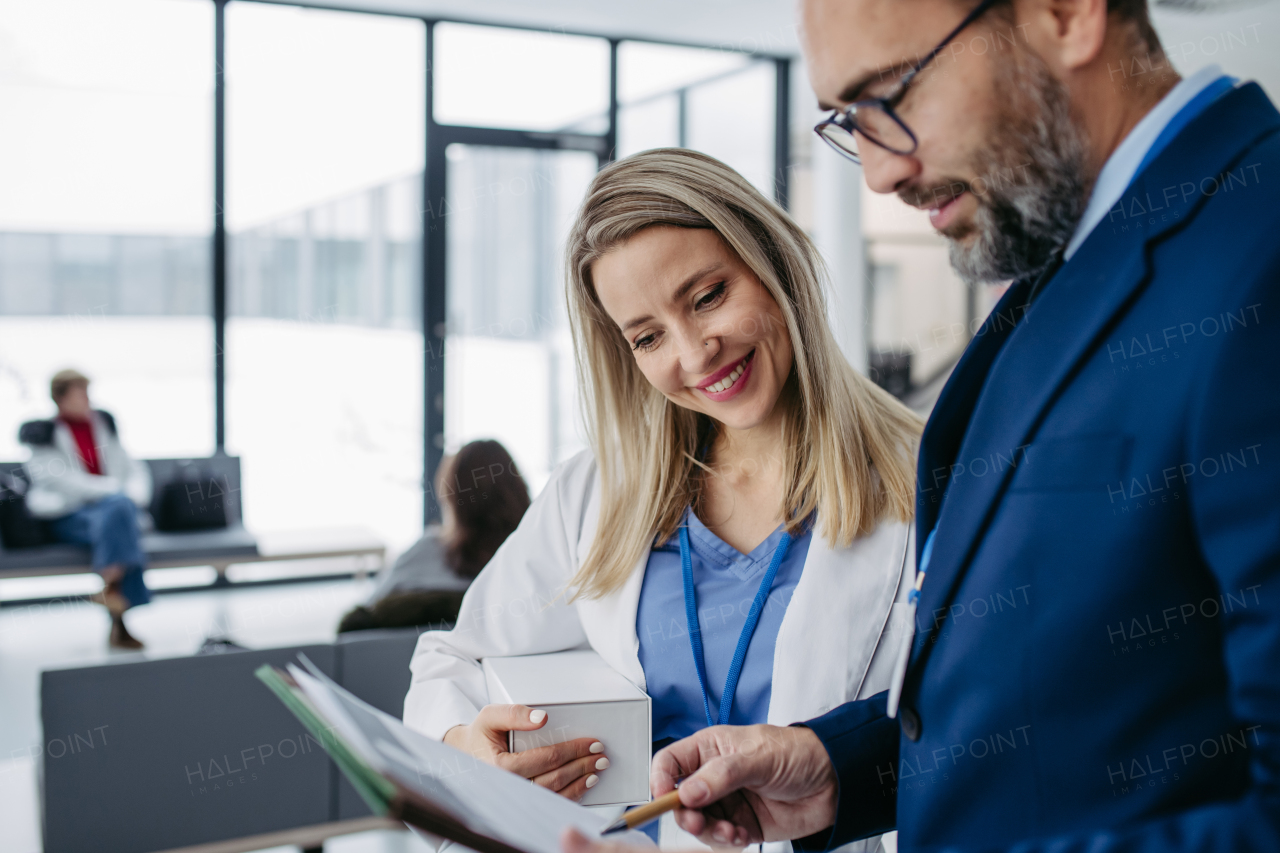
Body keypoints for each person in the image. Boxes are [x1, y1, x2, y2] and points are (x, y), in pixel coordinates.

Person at [561, 0, 1280, 852]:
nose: (876, 173)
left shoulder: (1256, 252)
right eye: (847, 121)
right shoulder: (1063, 275)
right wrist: (837, 764)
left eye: (890, 94)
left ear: (1065, 13)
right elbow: (1075, 693)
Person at [404, 149, 922, 847]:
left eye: (708, 296)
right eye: (647, 336)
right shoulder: (600, 492)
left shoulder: (930, 477)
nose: (694, 353)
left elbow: (990, 727)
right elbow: (452, 660)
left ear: (773, 262)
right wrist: (466, 746)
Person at [19, 369, 152, 649]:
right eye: (80, 394)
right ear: (60, 398)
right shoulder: (43, 435)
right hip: (66, 514)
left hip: (109, 513)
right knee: (119, 518)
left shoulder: (103, 427)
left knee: (117, 517)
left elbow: (134, 469)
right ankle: (118, 608)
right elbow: (57, 480)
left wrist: (129, 496)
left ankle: (112, 588)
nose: (87, 400)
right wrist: (112, 491)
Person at [339, 440, 530, 633]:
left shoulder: (421, 555)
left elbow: (362, 623)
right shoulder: (532, 560)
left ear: (451, 494)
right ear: (518, 491)